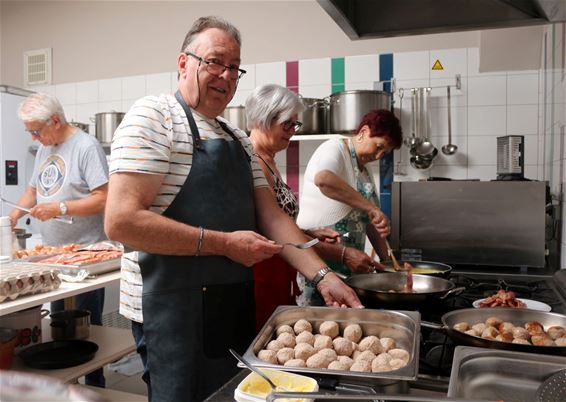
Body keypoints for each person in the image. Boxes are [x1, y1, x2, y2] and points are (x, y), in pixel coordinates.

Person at [104, 16, 362, 402]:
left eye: (233, 68)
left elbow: (273, 217)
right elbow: (122, 223)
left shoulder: (237, 138)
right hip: (171, 310)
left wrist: (323, 275)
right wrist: (224, 244)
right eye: (213, 62)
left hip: (230, 305)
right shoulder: (154, 117)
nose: (225, 76)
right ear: (183, 63)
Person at [8, 93, 108, 387]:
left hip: (85, 256)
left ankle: (95, 386)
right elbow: (33, 192)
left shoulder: (85, 147)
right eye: (30, 132)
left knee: (87, 330)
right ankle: (67, 389)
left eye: (36, 130)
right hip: (53, 256)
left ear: (55, 120)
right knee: (59, 329)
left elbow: (103, 198)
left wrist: (60, 207)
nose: (34, 137)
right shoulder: (44, 148)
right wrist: (12, 217)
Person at [296, 109, 403, 306]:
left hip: (349, 270)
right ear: (363, 131)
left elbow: (371, 224)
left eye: (385, 152)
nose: (379, 155)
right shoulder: (335, 148)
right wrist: (372, 208)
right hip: (320, 266)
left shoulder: (364, 170)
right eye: (378, 146)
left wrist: (389, 264)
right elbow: (324, 180)